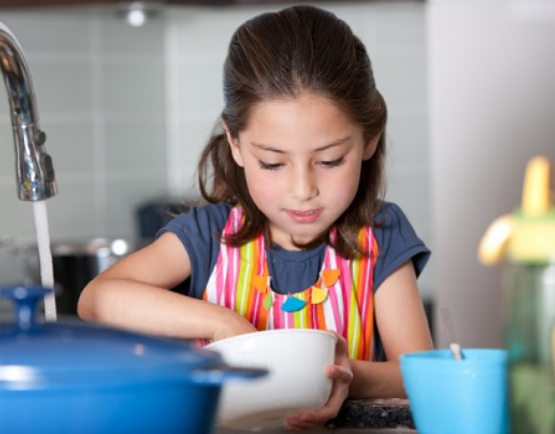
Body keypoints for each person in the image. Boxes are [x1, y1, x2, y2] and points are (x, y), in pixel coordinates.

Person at [77, 5, 433, 431]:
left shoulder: (380, 236)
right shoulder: (207, 236)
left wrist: (346, 376)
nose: (303, 189)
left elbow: (421, 374)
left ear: (370, 137)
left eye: (331, 159)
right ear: (237, 144)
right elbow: (97, 299)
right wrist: (220, 321)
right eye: (272, 163)